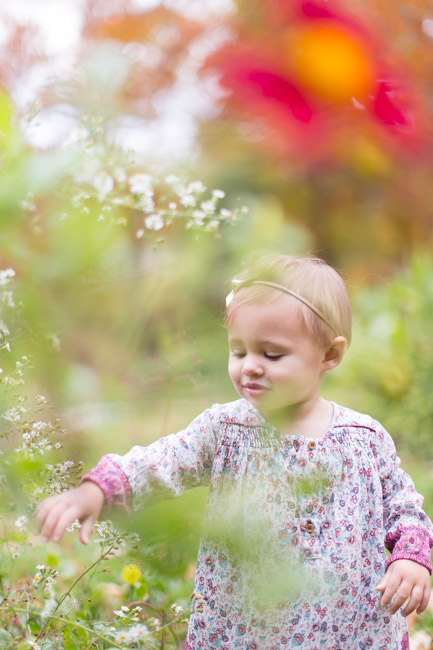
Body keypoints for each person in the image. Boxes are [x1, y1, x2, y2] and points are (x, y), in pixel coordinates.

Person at [36, 253, 433, 650]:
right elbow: (165, 460)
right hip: (246, 631)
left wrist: (410, 558)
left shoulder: (364, 438)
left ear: (329, 354)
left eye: (271, 354)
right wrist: (99, 489)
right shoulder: (226, 430)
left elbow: (404, 507)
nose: (251, 367)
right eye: (239, 351)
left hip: (350, 631)